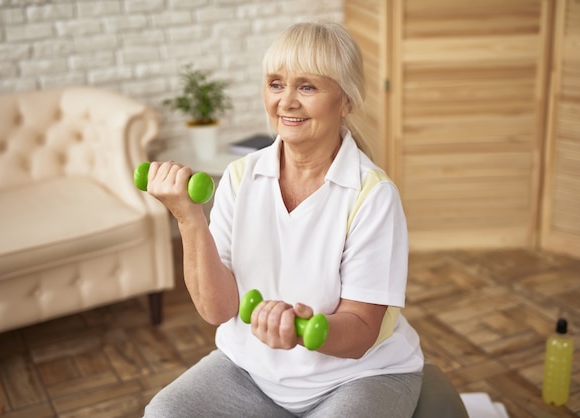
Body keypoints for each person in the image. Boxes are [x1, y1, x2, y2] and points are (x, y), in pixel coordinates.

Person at [143, 21, 423, 417]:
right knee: (166, 413)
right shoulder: (240, 177)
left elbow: (361, 331)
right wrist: (188, 217)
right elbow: (217, 310)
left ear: (346, 101)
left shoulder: (373, 195)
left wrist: (303, 330)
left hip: (360, 375)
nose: (287, 102)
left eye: (307, 87)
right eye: (276, 84)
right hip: (251, 371)